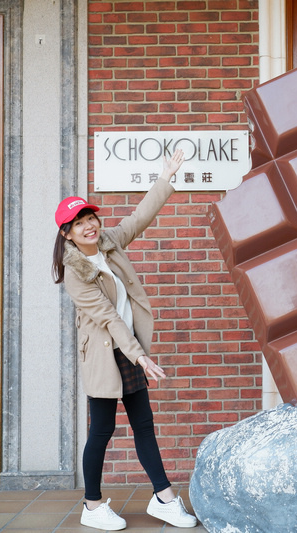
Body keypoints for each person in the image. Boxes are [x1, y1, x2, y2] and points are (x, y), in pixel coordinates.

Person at [52, 148, 197, 530]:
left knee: (144, 424)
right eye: (79, 222)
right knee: (101, 430)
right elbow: (108, 316)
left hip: (128, 350)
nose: (89, 226)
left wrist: (165, 177)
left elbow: (140, 217)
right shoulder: (74, 273)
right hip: (107, 353)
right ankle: (92, 504)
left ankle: (163, 497)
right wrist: (140, 356)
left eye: (90, 217)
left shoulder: (109, 242)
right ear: (66, 232)